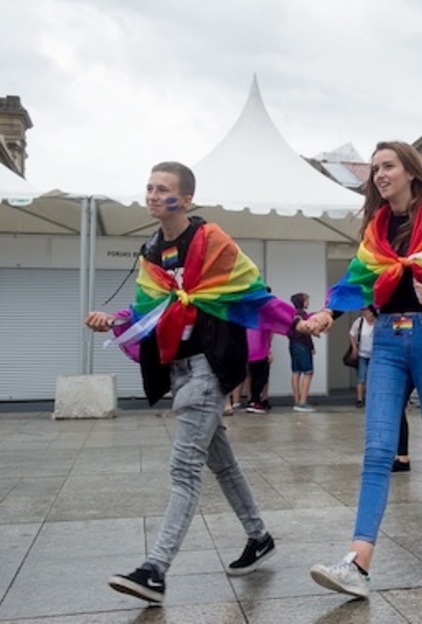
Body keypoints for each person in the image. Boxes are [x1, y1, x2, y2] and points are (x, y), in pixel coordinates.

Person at [85, 162, 287, 604]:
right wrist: (113, 322)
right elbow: (146, 310)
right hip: (178, 369)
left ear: (186, 199)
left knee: (184, 468)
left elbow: (253, 291)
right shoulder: (154, 249)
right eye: (150, 188)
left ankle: (155, 569)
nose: (154, 196)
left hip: (208, 368)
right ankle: (259, 536)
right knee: (223, 464)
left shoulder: (210, 240)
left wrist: (299, 322)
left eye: (164, 190)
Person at [300, 141, 422, 599]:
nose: (379, 174)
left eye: (388, 166)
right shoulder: (376, 229)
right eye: (375, 168)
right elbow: (358, 281)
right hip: (388, 344)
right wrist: (326, 314)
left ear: (410, 172)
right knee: (378, 450)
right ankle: (358, 562)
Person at [287, 293, 316, 412]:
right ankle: (303, 402)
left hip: (293, 345)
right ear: (302, 302)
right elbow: (307, 333)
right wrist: (311, 347)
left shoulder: (291, 315)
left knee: (296, 372)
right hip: (303, 346)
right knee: (308, 372)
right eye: (306, 300)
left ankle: (296, 401)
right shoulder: (304, 316)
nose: (308, 302)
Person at [349, 306, 377, 408]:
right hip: (362, 354)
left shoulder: (378, 322)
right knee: (361, 378)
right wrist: (354, 348)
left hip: (375, 355)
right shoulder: (360, 322)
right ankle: (360, 399)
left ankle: (372, 399)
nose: (370, 314)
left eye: (371, 312)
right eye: (368, 312)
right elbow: (351, 334)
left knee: (373, 378)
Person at [245, 326, 274, 414]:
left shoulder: (249, 321)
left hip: (249, 352)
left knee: (253, 376)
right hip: (261, 352)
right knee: (262, 377)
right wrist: (268, 352)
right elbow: (268, 336)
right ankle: (255, 401)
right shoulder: (264, 322)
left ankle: (252, 401)